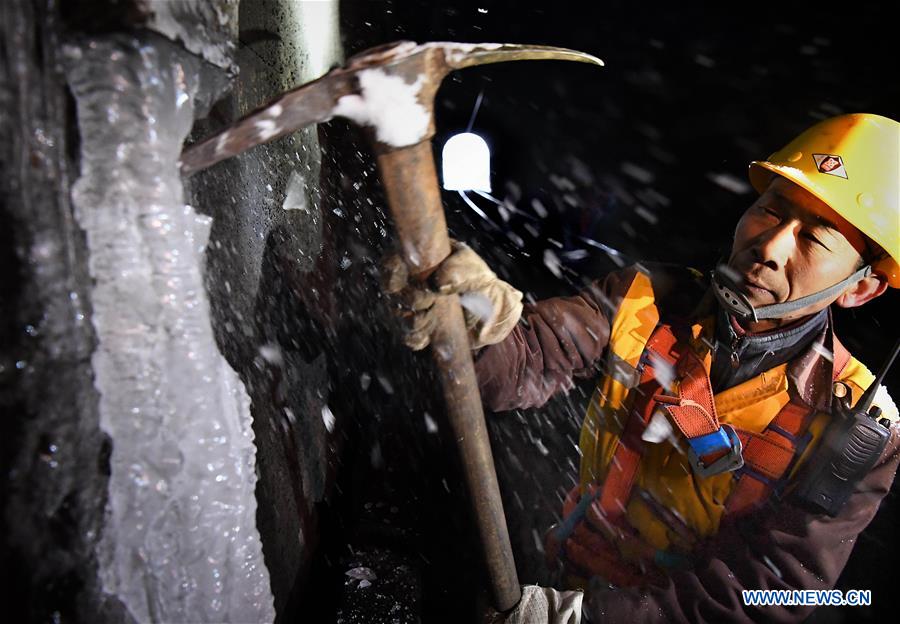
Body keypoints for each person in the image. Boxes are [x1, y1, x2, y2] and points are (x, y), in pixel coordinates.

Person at [386, 113, 900, 623]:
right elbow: (523, 364)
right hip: (571, 578)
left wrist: (589, 620)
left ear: (860, 287)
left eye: (815, 238)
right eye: (771, 210)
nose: (769, 245)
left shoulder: (859, 422)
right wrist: (480, 326)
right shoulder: (646, 297)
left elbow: (774, 593)